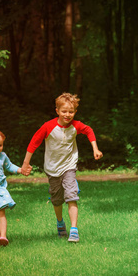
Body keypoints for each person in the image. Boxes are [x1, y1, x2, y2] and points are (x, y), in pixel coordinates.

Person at [20, 93, 103, 242]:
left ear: (75, 112)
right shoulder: (48, 126)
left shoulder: (76, 126)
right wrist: (26, 163)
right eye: (64, 111)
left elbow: (89, 130)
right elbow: (34, 143)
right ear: (57, 110)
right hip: (52, 169)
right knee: (57, 200)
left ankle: (74, 230)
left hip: (69, 166)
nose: (67, 114)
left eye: (71, 111)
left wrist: (95, 148)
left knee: (71, 196)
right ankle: (60, 223)